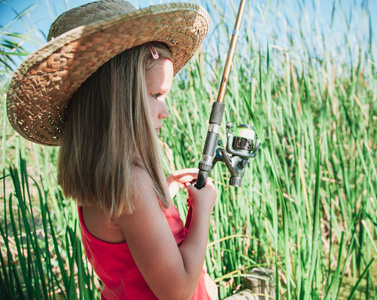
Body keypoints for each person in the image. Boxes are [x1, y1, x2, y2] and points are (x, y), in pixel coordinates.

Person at [6, 0, 218, 299]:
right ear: (117, 100)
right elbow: (177, 292)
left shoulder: (107, 180)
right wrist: (203, 211)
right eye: (156, 95)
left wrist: (163, 194)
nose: (165, 110)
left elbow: (130, 252)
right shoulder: (132, 184)